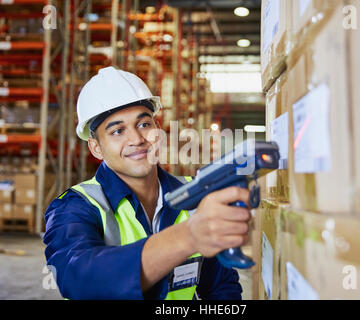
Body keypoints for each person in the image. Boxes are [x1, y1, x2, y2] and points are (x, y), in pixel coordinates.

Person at [43, 66, 252, 300]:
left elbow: (220, 287)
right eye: (117, 131)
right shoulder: (74, 206)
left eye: (144, 124)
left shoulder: (195, 195)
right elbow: (78, 278)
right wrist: (188, 236)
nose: (137, 139)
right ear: (96, 148)